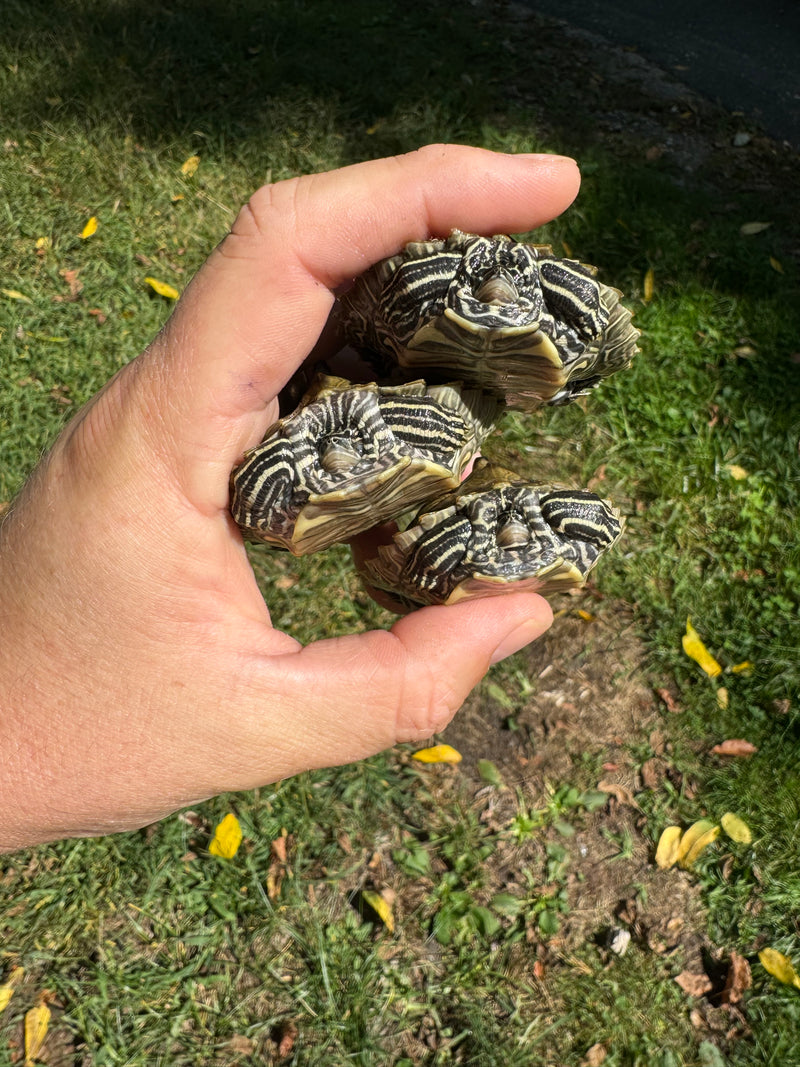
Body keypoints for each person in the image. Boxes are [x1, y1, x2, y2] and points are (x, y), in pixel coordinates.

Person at [0, 145, 580, 851]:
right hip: (359, 442)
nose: (499, 283)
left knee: (452, 435)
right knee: (408, 435)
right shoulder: (399, 417)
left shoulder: (457, 416)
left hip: (427, 448)